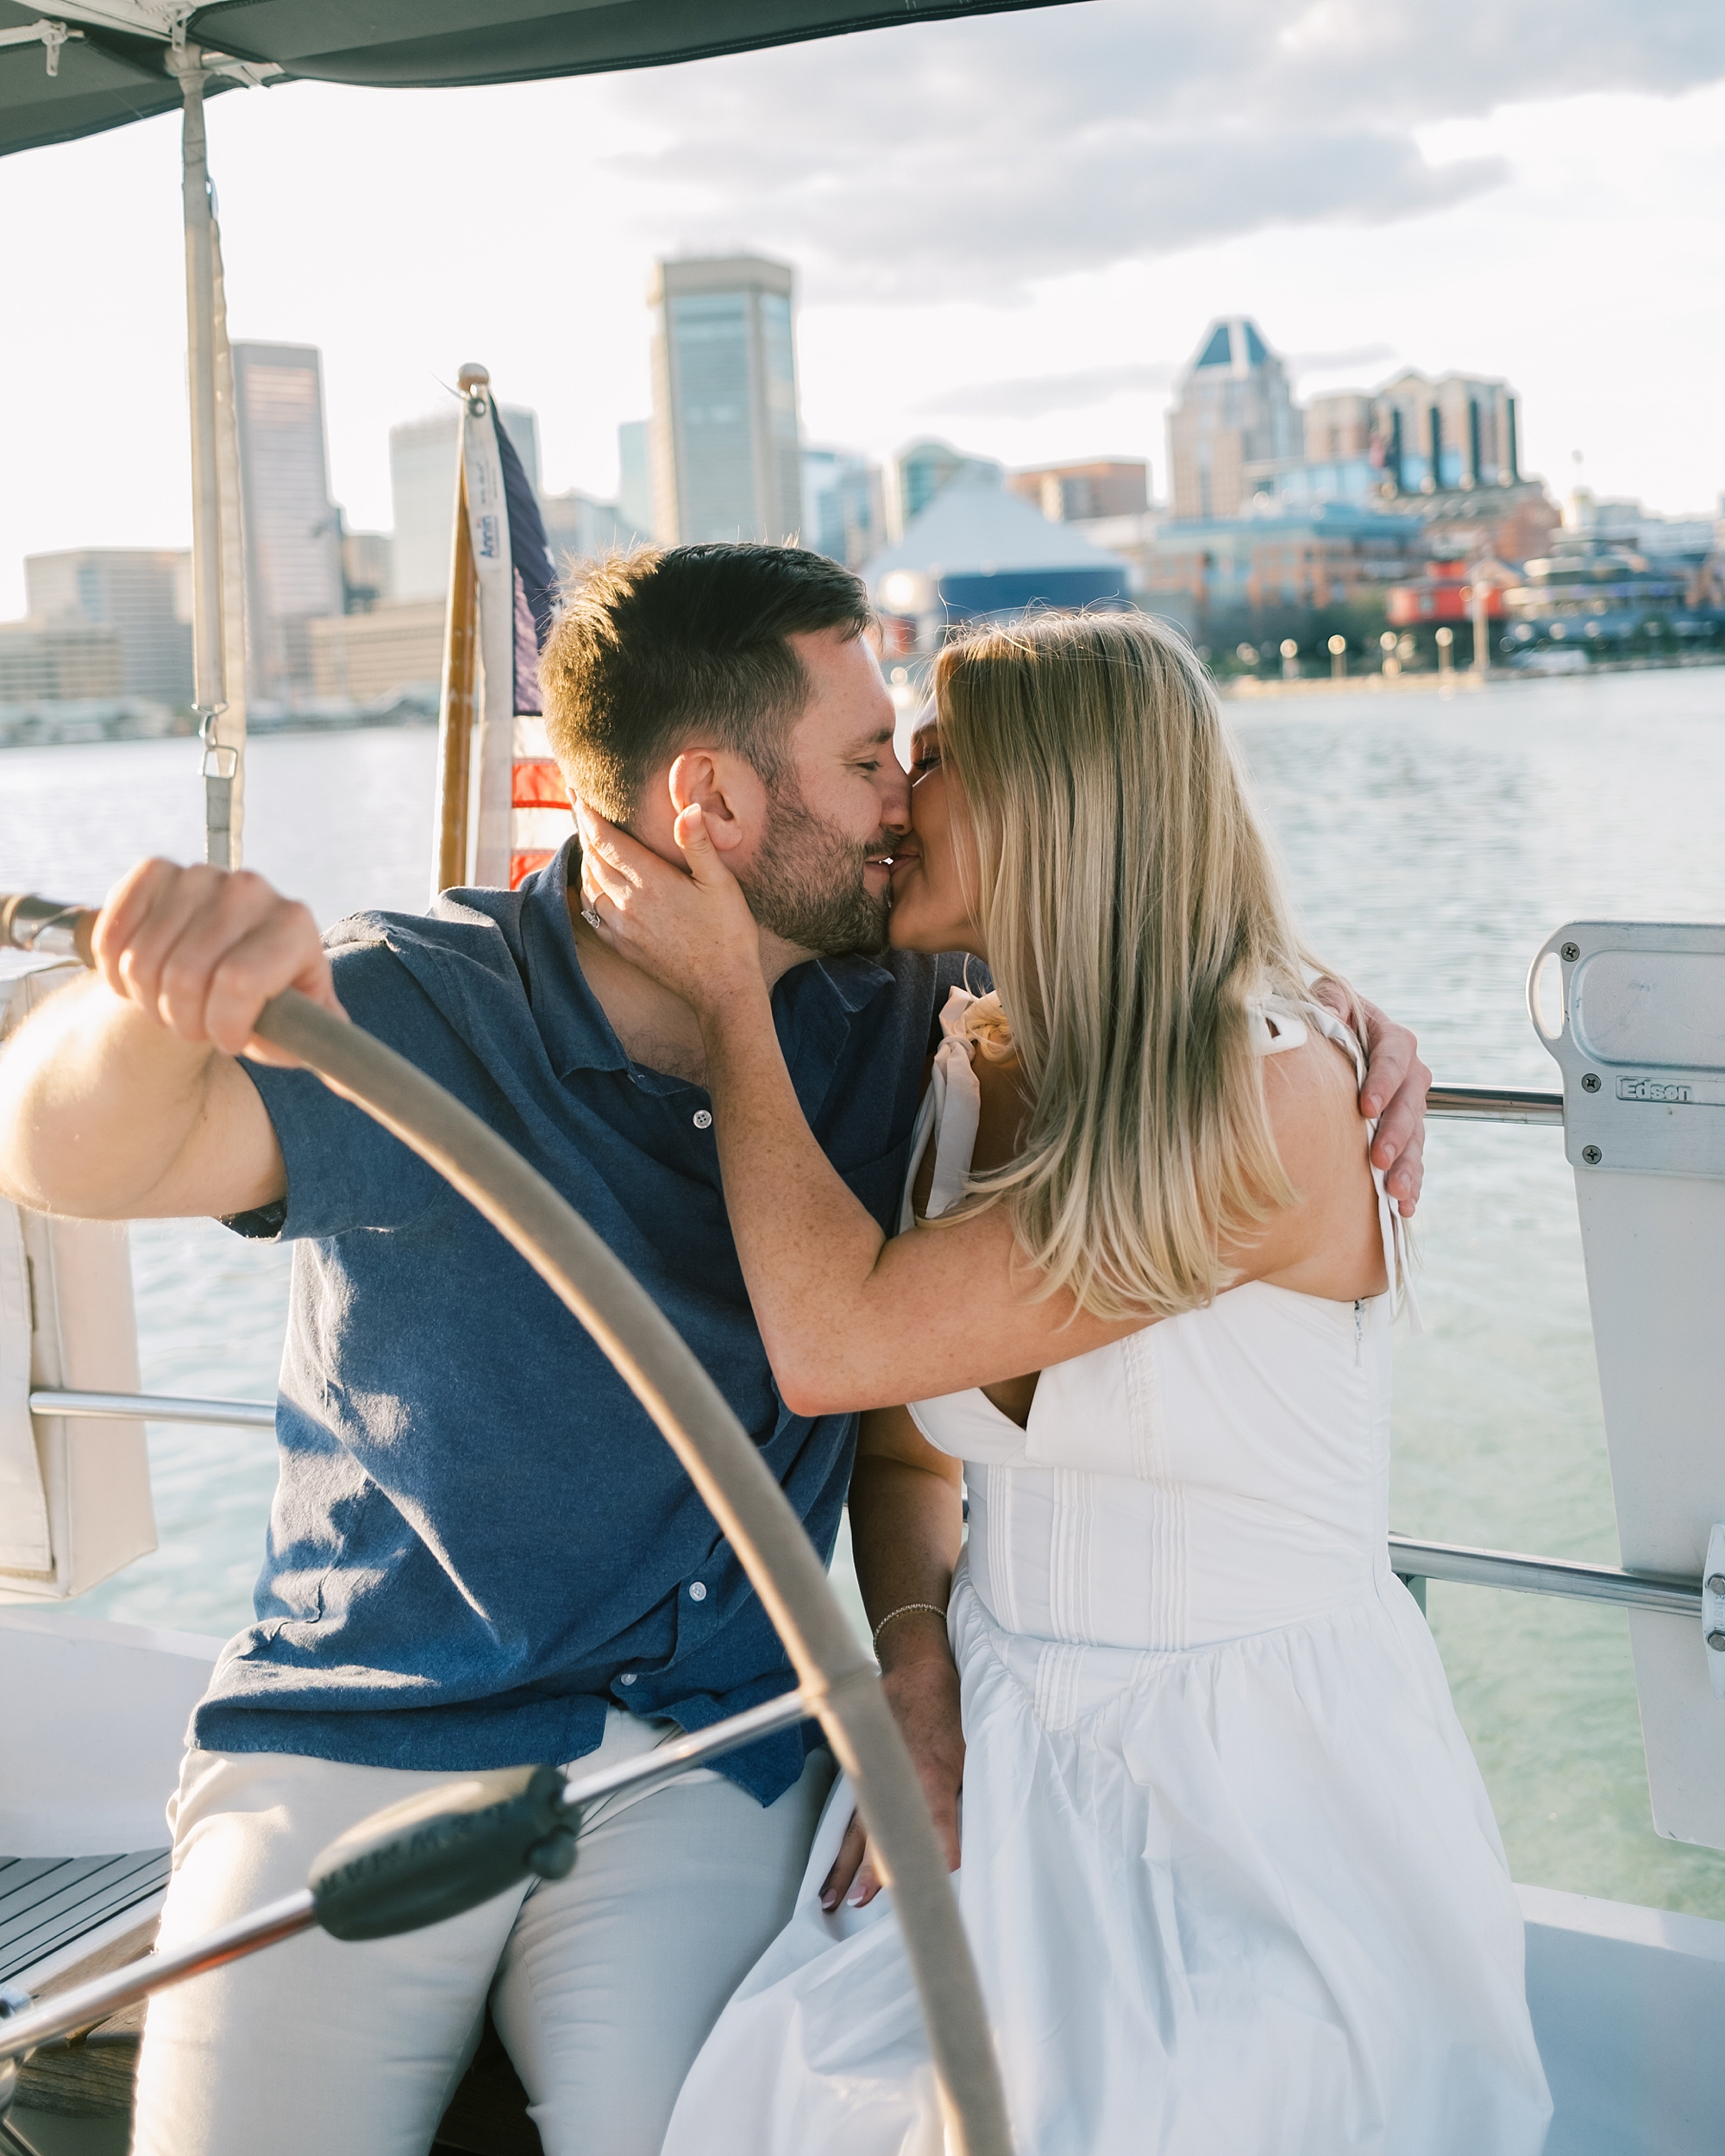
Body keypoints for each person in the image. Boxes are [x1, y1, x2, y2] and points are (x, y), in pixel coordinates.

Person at [0, 549, 1430, 2156]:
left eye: (917, 759)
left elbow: (1144, 935)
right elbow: (70, 1157)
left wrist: (1341, 1015)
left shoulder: (909, 1002)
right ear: (717, 806)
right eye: (874, 759)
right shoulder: (421, 1000)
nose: (900, 800)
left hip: (713, 1755)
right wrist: (146, 1005)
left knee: (733, 2125)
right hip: (373, 1729)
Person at [574, 608, 1551, 2155]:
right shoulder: (969, 1059)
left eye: (939, 761)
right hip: (997, 1752)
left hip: (1257, 1802)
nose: (894, 798)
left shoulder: (1272, 1098)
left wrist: (728, 1006)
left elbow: (836, 1348)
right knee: (800, 2102)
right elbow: (907, 1460)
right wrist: (912, 1660)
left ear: (1065, 805)